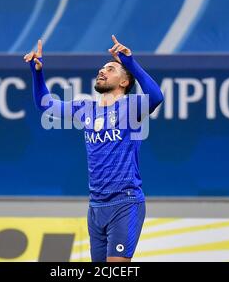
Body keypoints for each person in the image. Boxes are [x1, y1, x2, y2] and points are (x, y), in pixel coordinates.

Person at [24, 35, 163, 262]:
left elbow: (156, 96)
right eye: (102, 68)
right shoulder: (85, 108)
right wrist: (37, 72)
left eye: (110, 69)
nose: (102, 71)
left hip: (125, 203)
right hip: (96, 207)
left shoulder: (131, 107)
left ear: (124, 82)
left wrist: (130, 63)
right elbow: (44, 104)